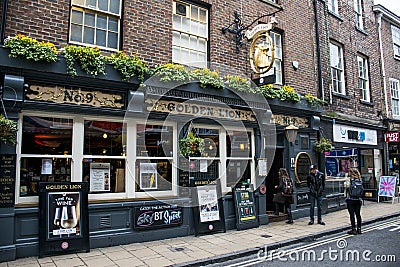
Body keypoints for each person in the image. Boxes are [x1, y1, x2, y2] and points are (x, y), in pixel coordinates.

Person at [344, 168, 363, 235]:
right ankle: (359, 229)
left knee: (352, 215)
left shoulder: (350, 180)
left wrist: (346, 177)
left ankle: (353, 229)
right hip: (358, 200)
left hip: (350, 200)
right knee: (358, 214)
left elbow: (345, 186)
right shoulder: (359, 180)